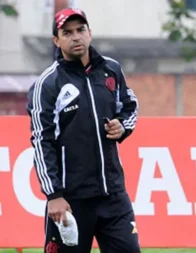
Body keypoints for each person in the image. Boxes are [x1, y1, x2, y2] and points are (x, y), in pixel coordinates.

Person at [26, 7, 140, 253]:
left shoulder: (112, 69)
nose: (76, 36)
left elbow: (130, 106)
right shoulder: (47, 84)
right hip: (70, 200)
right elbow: (41, 141)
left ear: (90, 33)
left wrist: (122, 126)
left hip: (114, 195)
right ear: (56, 40)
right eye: (67, 32)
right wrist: (53, 195)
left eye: (81, 30)